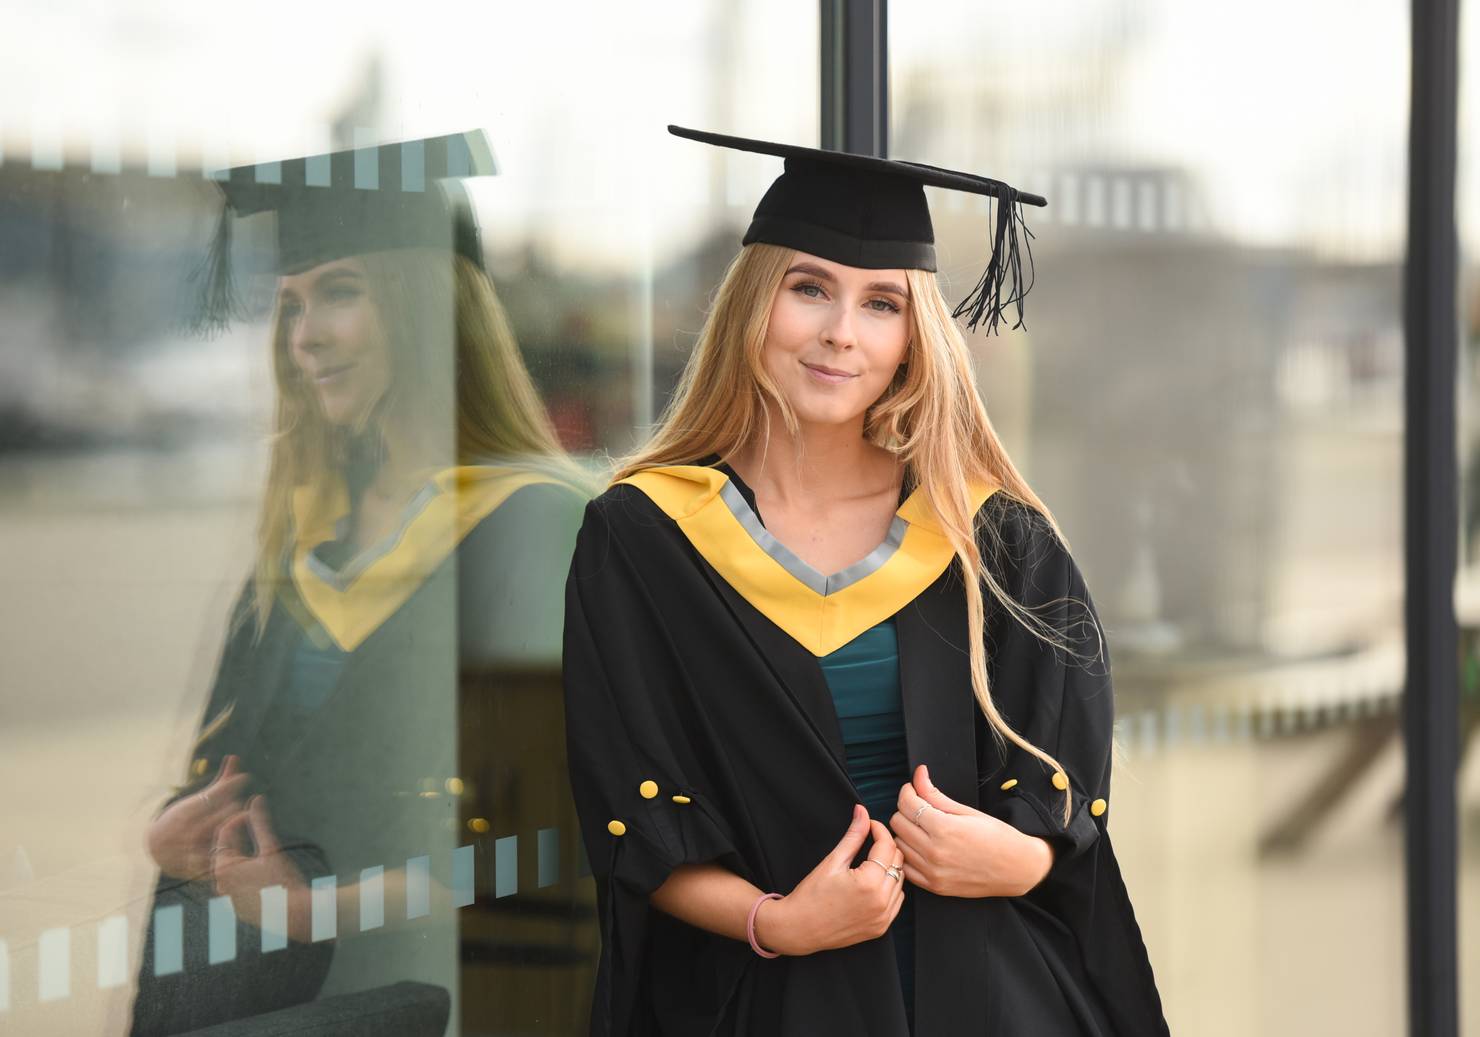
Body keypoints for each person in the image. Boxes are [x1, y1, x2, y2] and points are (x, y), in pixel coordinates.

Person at [560, 125, 1169, 1036]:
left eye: (882, 304)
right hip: (768, 999)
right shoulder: (645, 538)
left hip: (992, 996)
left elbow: (1068, 800)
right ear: (755, 303)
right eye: (810, 289)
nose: (842, 333)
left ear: (913, 337)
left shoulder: (991, 536)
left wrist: (1016, 860)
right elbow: (632, 818)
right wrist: (780, 922)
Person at [130, 131, 594, 1035]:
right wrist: (176, 836)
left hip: (449, 986)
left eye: (342, 292)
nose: (306, 338)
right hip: (269, 988)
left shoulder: (541, 525)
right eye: (292, 302)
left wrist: (315, 911)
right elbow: (240, 767)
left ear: (425, 305)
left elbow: (563, 839)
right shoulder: (306, 535)